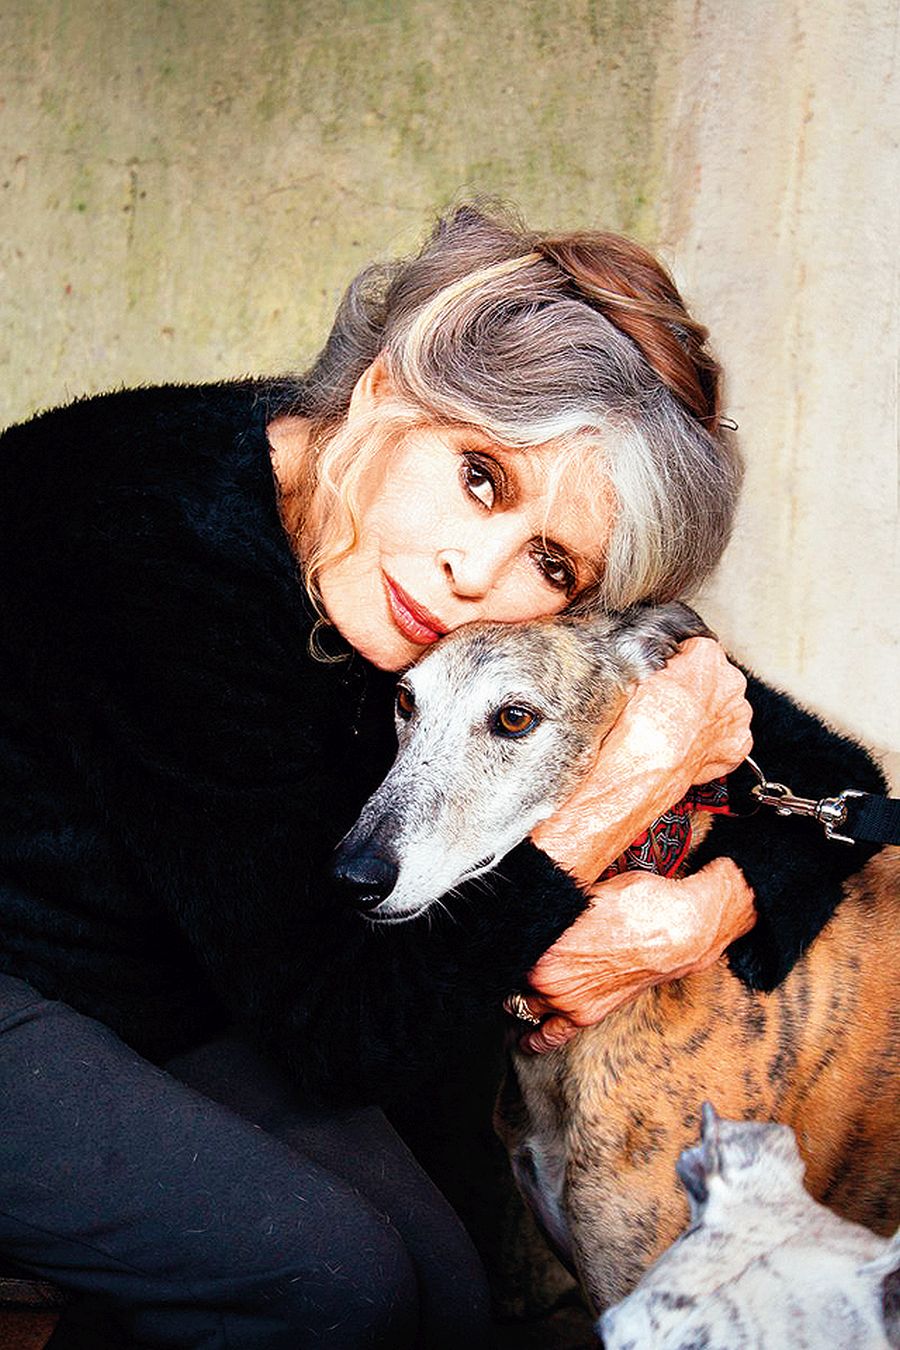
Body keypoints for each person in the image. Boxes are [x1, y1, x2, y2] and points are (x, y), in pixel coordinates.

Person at [0, 204, 884, 1349]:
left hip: (151, 977)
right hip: (37, 976)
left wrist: (697, 914)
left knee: (446, 1294)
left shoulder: (437, 577)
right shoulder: (155, 544)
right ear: (384, 391)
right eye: (480, 477)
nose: (478, 573)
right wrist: (613, 800)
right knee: (329, 1285)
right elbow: (341, 1037)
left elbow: (834, 789)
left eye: (552, 562)